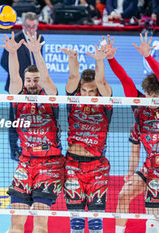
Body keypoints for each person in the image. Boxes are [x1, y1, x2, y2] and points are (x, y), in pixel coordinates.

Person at [2, 31, 64, 233]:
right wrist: (12, 54)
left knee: (39, 225)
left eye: (35, 80)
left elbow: (46, 80)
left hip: (50, 164)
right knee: (16, 224)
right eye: (28, 80)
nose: (32, 84)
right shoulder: (19, 97)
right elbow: (14, 80)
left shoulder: (51, 96)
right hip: (26, 163)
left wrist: (37, 53)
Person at [101, 33, 159, 233]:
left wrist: (148, 57)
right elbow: (124, 79)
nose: (151, 99)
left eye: (155, 96)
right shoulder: (139, 108)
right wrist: (110, 59)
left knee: (153, 209)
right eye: (149, 95)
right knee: (123, 195)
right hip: (150, 165)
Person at [60, 44, 112, 233]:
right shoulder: (73, 100)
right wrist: (72, 58)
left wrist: (100, 60)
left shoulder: (105, 103)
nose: (88, 95)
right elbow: (73, 77)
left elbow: (103, 82)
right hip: (73, 166)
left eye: (92, 92)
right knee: (77, 222)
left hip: (97, 167)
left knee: (97, 222)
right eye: (84, 91)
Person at [0, 12, 44, 161]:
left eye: (34, 26)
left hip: (34, 87)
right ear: (23, 25)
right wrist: (18, 78)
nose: (32, 29)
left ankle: (31, 147)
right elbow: (3, 62)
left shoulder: (40, 39)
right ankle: (14, 151)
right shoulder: (15, 39)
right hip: (17, 88)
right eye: (28, 26)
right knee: (14, 120)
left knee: (33, 117)